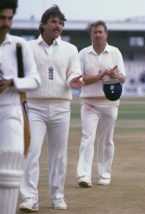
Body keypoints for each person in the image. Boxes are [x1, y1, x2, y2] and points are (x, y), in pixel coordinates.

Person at [19, 5, 83, 212]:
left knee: (59, 155)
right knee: (32, 152)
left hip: (61, 106)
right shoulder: (27, 48)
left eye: (61, 23)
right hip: (34, 106)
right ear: (43, 24)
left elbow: (74, 73)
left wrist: (75, 81)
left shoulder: (70, 49)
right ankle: (30, 198)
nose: (58, 26)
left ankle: (57, 196)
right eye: (54, 21)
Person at [0, 1, 41, 213]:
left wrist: (12, 82)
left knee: (12, 156)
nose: (6, 23)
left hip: (10, 108)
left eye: (9, 18)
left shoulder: (18, 45)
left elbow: (35, 80)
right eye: (2, 18)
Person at [76, 20, 126, 188]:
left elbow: (124, 78)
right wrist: (99, 76)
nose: (97, 35)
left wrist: (114, 74)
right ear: (91, 34)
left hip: (110, 103)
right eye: (94, 32)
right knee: (87, 137)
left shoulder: (115, 52)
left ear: (106, 34)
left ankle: (104, 174)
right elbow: (80, 80)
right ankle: (84, 175)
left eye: (100, 32)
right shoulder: (83, 54)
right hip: (89, 102)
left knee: (106, 140)